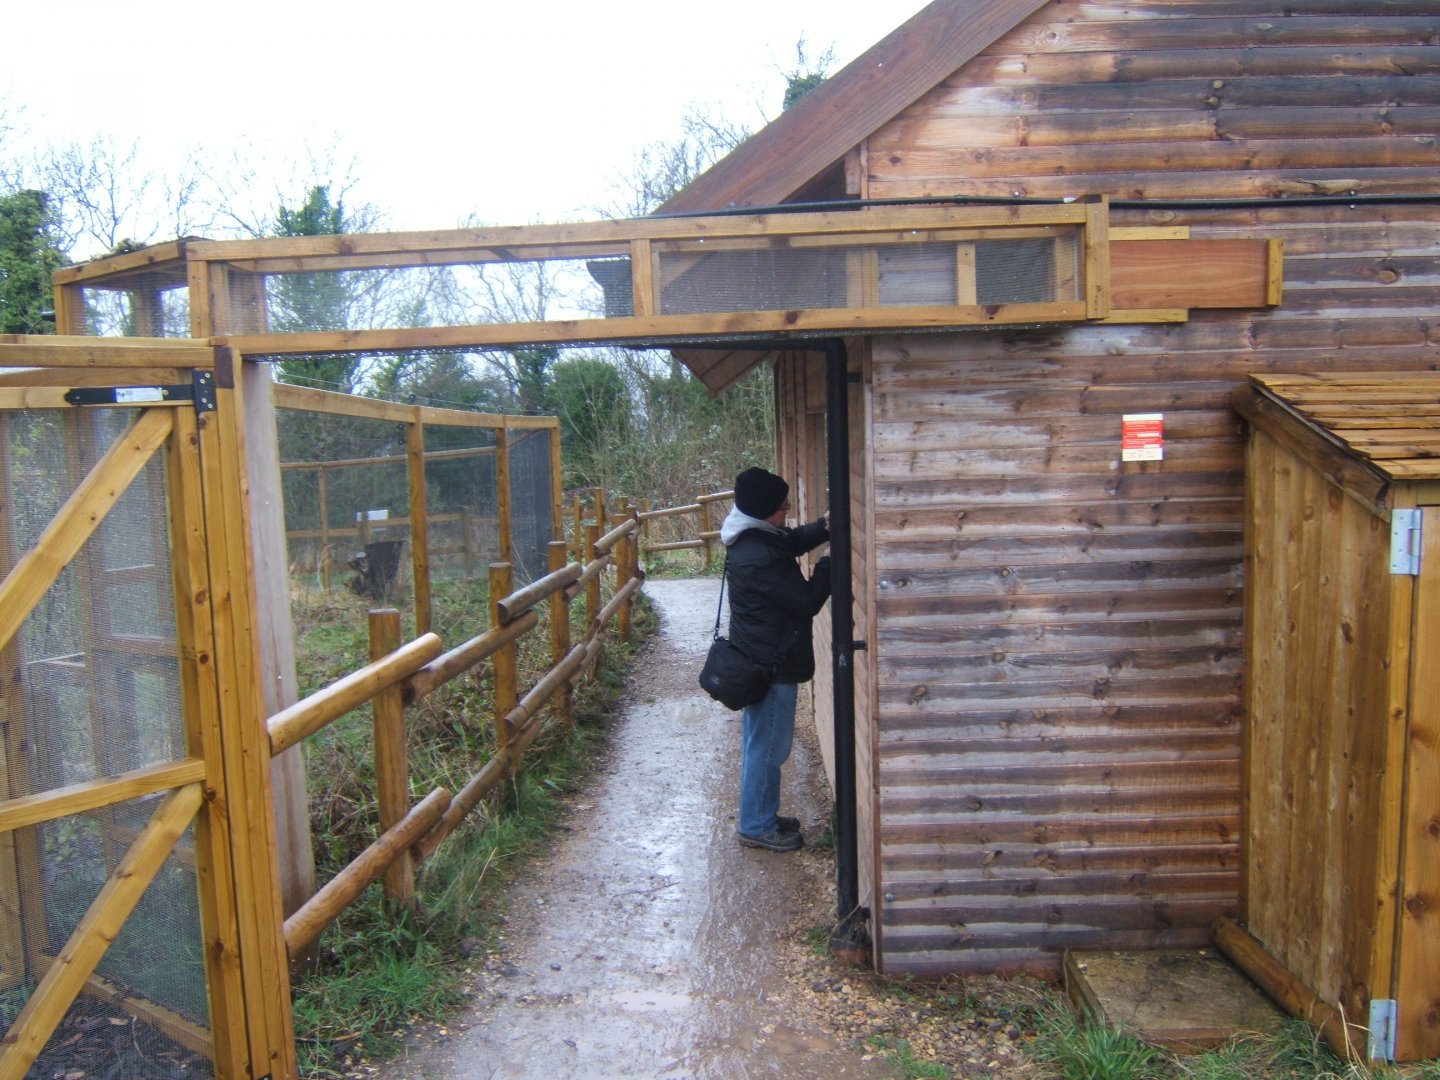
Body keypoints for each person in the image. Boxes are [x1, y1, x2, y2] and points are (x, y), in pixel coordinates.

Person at [720, 466, 832, 852]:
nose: (788, 510)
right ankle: (756, 825)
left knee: (762, 744)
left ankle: (761, 814)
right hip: (771, 664)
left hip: (762, 657)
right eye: (784, 506)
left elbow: (789, 541)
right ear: (765, 508)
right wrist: (830, 562)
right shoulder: (756, 555)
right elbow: (806, 601)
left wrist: (824, 527)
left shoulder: (753, 534)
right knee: (768, 748)